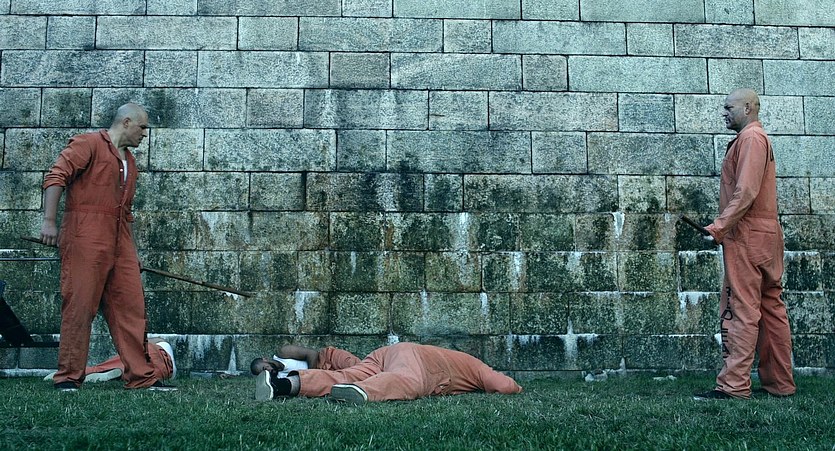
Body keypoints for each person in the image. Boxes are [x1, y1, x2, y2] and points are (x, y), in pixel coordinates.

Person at [40, 103, 175, 392]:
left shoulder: (130, 162)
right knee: (79, 306)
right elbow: (56, 176)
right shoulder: (88, 144)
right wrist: (49, 222)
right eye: (142, 127)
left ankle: (141, 377)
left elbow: (127, 213)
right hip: (85, 235)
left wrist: (132, 253)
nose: (145, 134)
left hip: (120, 239)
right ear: (126, 122)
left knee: (131, 307)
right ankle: (68, 377)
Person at [694, 88, 795, 400]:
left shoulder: (750, 139)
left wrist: (719, 228)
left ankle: (734, 386)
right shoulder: (757, 138)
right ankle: (780, 384)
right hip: (766, 235)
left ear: (748, 108)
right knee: (770, 307)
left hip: (747, 235)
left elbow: (746, 191)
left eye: (729, 107)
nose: (724, 113)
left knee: (741, 308)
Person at [255, 342, 522, 404]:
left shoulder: (464, 362)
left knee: (346, 375)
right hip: (413, 357)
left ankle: (281, 386)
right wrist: (517, 388)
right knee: (410, 381)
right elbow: (505, 386)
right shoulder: (478, 368)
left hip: (384, 354)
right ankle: (364, 391)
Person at [44, 338, 176, 383]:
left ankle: (77, 373)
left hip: (153, 353)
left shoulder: (156, 344)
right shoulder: (163, 351)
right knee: (137, 368)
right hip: (163, 369)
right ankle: (120, 373)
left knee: (103, 366)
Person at [250, 345, 362, 377]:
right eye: (264, 373)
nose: (268, 371)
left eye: (265, 368)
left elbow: (312, 353)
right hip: (325, 376)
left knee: (359, 367)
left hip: (326, 358)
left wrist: (311, 375)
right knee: (354, 377)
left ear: (265, 359)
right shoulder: (279, 378)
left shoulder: (283, 353)